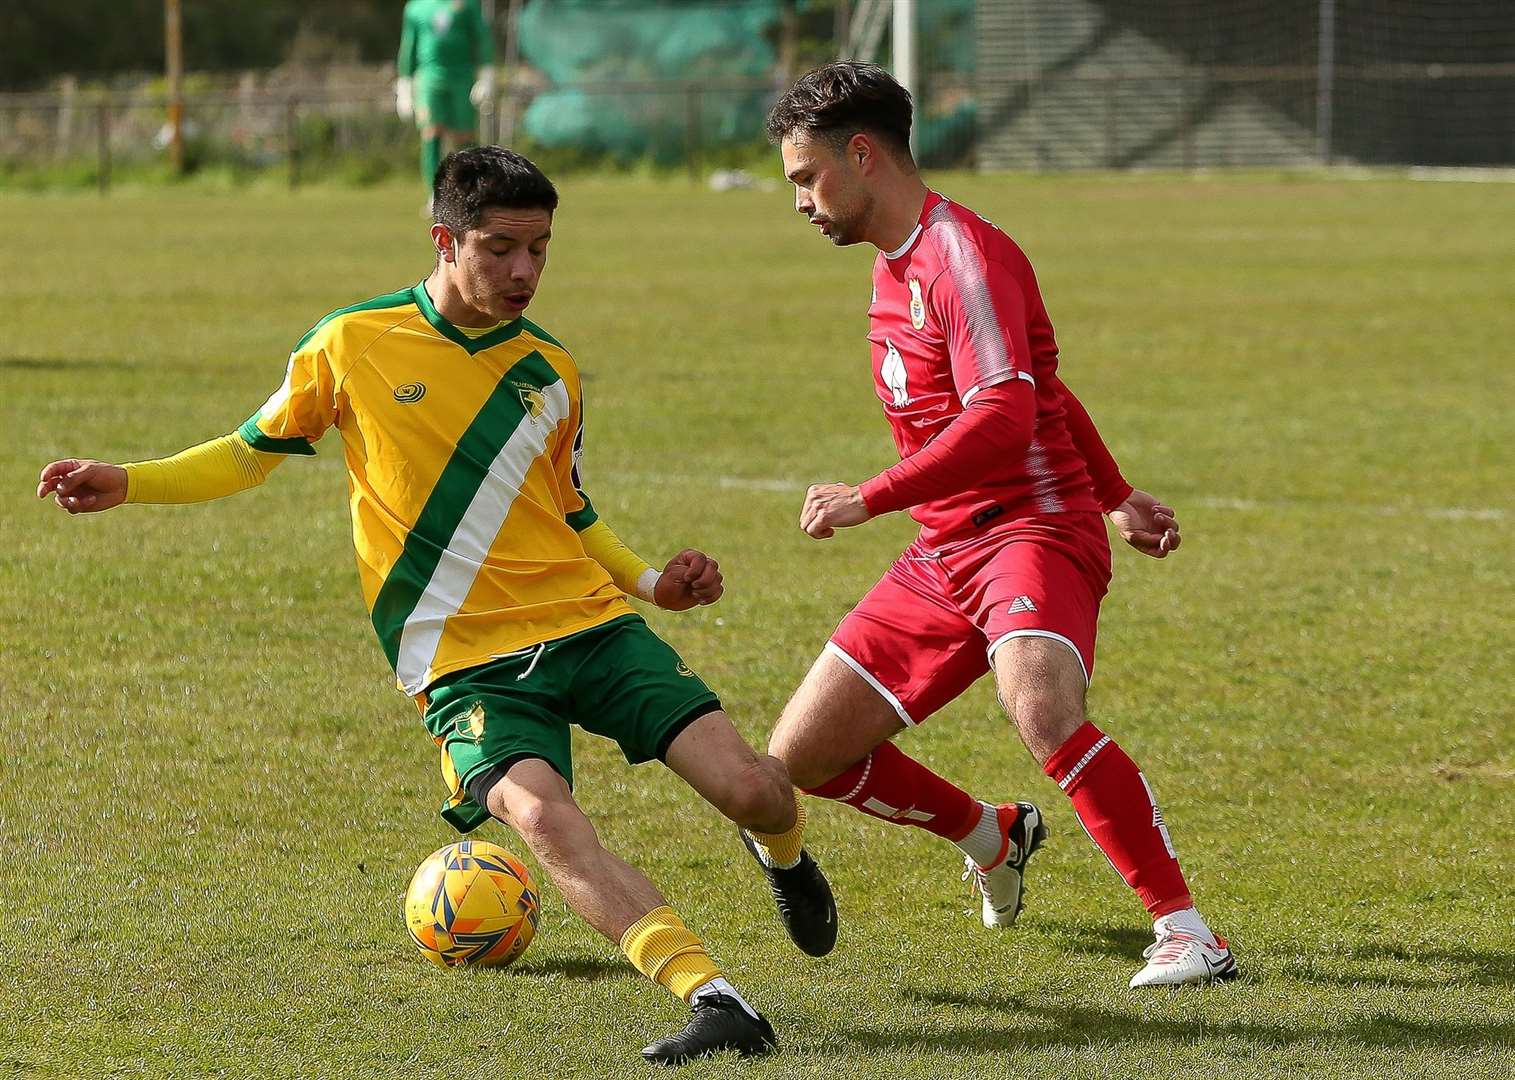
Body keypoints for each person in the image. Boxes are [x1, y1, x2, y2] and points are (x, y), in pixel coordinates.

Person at [36, 146, 837, 1064]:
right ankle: (715, 997)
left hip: (588, 624)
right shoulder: (351, 344)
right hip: (459, 660)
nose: (524, 271)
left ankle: (783, 856)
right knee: (541, 819)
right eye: (500, 249)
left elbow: (569, 512)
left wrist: (655, 584)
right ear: (443, 240)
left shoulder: (550, 371)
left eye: (539, 248)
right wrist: (126, 481)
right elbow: (246, 452)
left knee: (752, 788)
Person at [745, 62, 1236, 988]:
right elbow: (1044, 387)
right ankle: (991, 834)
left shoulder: (959, 256)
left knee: (1041, 706)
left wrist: (871, 494)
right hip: (948, 546)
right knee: (801, 759)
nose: (800, 202)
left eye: (806, 179)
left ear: (862, 156)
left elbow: (1006, 413)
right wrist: (1122, 492)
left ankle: (1187, 933)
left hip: (1032, 528)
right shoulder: (896, 267)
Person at [396, 0, 495, 190]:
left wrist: (486, 75)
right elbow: (409, 46)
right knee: (431, 132)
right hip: (429, 78)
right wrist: (404, 85)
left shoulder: (467, 5)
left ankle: (469, 191)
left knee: (463, 136)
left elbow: (482, 38)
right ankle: (435, 194)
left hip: (462, 77)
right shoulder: (415, 7)